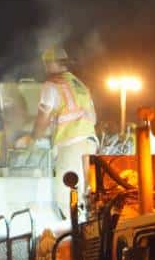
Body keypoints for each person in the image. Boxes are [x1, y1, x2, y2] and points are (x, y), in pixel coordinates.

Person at [14, 47, 98, 218]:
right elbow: (93, 118)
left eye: (47, 64)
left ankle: (76, 237)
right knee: (87, 193)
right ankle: (91, 233)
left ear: (54, 63)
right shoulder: (79, 84)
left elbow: (42, 118)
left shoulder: (51, 85)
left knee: (65, 195)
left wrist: (32, 138)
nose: (45, 68)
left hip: (71, 144)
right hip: (90, 142)